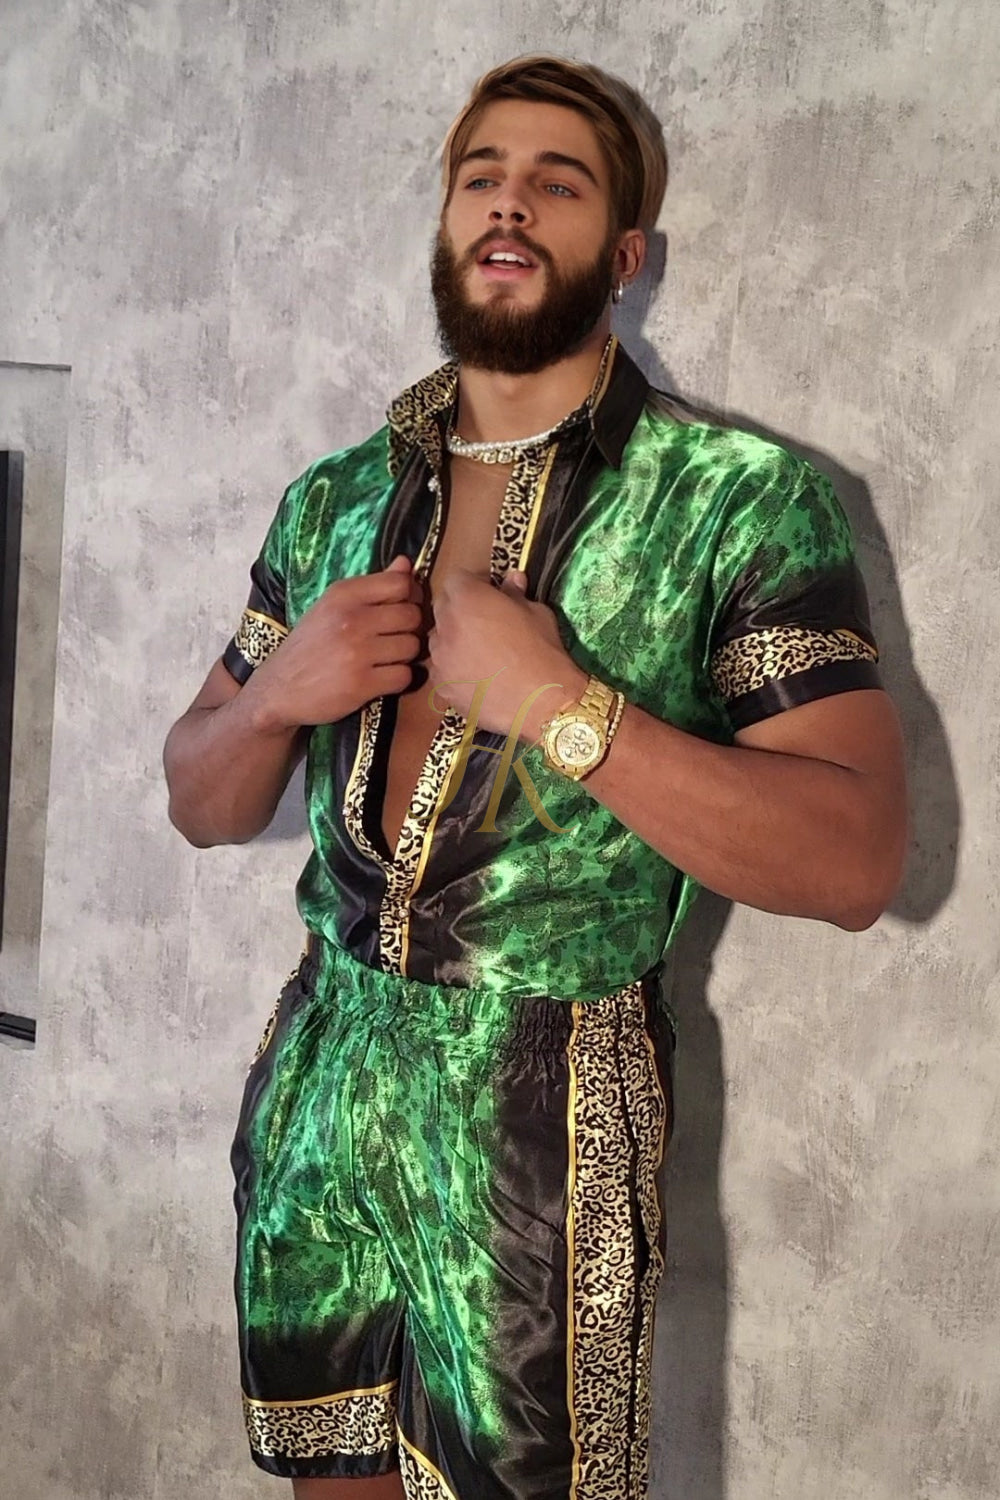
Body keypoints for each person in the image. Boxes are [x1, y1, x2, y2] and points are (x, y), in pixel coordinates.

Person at [163, 53, 907, 1500]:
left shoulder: (733, 500)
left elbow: (858, 859)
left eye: (556, 185)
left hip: (543, 1111)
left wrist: (567, 706)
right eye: (481, 178)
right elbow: (199, 801)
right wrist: (278, 698)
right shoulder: (335, 501)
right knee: (326, 1480)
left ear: (625, 256)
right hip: (321, 1074)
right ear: (449, 223)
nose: (509, 205)